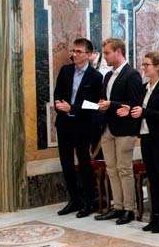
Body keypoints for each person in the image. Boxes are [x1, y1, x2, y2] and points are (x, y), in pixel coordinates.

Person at [54, 38, 103, 217]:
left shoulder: (96, 77)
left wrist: (73, 108)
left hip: (83, 126)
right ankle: (74, 200)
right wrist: (58, 103)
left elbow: (95, 105)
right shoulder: (65, 71)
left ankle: (89, 202)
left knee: (84, 164)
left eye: (79, 52)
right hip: (64, 124)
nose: (74, 54)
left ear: (89, 55)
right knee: (66, 164)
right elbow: (57, 92)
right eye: (73, 51)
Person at [96, 38, 143, 225]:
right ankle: (118, 207)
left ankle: (129, 209)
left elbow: (136, 103)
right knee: (111, 169)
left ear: (118, 52)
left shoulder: (132, 75)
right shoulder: (108, 76)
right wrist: (101, 105)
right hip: (108, 127)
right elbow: (104, 98)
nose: (105, 56)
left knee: (124, 169)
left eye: (107, 53)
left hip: (125, 129)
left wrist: (112, 104)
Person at [132, 51, 159, 233]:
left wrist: (144, 112)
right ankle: (155, 216)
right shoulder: (145, 88)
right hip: (147, 137)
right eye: (143, 64)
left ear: (157, 67)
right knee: (152, 178)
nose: (143, 67)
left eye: (147, 64)